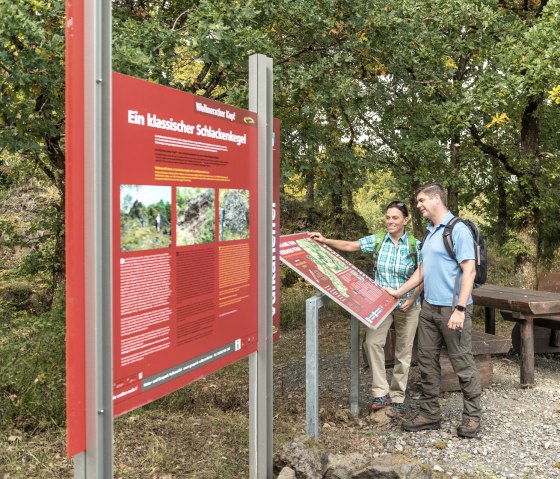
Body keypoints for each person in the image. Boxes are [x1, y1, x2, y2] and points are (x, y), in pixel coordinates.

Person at [384, 183, 481, 438]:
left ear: (436, 199)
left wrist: (460, 309)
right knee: (426, 362)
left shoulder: (458, 230)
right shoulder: (430, 233)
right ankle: (430, 413)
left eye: (421, 200)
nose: (418, 206)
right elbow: (423, 271)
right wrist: (399, 291)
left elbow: (469, 270)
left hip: (453, 309)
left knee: (462, 363)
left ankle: (472, 416)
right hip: (428, 309)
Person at [308, 201, 421, 414]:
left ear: (405, 220)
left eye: (395, 218)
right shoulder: (379, 240)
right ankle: (381, 392)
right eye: (388, 217)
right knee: (372, 343)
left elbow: (423, 274)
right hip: (382, 303)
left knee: (403, 352)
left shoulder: (416, 245)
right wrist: (325, 240)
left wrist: (413, 297)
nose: (390, 221)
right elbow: (351, 245)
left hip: (408, 304)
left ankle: (398, 396)